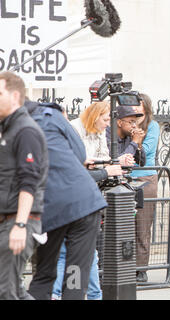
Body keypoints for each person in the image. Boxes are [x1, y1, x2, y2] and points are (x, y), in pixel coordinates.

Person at [26, 100, 108, 300]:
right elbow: (79, 153)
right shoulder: (52, 115)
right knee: (76, 275)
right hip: (84, 204)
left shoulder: (14, 128)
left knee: (45, 274)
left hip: (52, 206)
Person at [50, 101, 123, 300]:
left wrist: (113, 164)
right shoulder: (74, 129)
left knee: (88, 254)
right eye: (106, 119)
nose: (109, 124)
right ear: (95, 116)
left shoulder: (97, 133)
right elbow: (73, 169)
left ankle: (92, 295)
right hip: (72, 201)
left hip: (86, 200)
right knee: (67, 252)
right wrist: (105, 171)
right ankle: (58, 294)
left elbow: (102, 158)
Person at [0, 72, 48, 299]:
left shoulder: (26, 130)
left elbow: (29, 181)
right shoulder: (9, 128)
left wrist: (20, 225)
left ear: (15, 96)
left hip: (17, 222)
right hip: (10, 221)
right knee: (15, 290)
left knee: (6, 292)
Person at [130, 93, 160, 283]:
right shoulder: (124, 123)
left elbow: (146, 151)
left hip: (145, 178)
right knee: (124, 226)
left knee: (142, 226)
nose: (135, 113)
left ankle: (141, 269)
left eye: (139, 108)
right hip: (125, 178)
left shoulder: (153, 126)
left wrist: (135, 141)